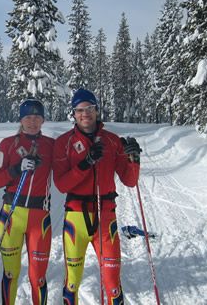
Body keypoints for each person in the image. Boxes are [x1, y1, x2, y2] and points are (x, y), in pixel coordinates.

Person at [53, 88, 142, 305]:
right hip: (76, 218)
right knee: (72, 282)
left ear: (96, 110)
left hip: (106, 218)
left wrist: (134, 159)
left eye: (90, 108)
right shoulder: (63, 143)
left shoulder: (112, 141)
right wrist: (85, 163)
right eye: (80, 110)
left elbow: (129, 180)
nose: (85, 114)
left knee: (112, 283)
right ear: (73, 113)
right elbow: (61, 184)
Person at [0, 98, 55, 305]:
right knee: (10, 273)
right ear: (21, 119)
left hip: (39, 218)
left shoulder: (52, 146)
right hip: (11, 215)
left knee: (38, 277)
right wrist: (16, 169)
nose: (33, 121)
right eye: (28, 117)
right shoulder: (7, 144)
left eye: (37, 117)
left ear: (43, 120)